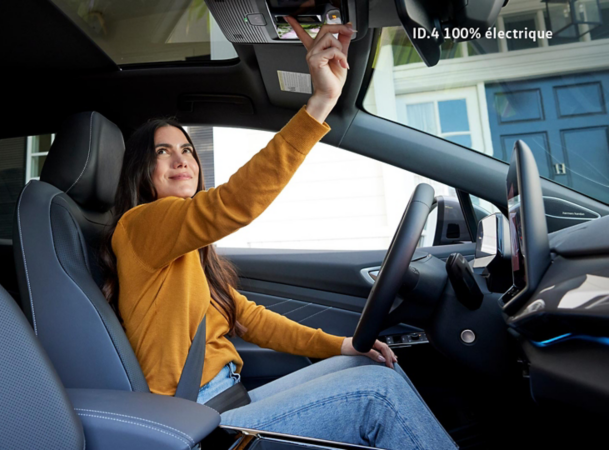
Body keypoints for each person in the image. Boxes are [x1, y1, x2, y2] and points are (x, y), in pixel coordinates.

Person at [98, 17, 458, 450]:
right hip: (200, 424)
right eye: (163, 152)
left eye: (188, 150)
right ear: (142, 169)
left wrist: (341, 345)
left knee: (378, 371)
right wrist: (320, 103)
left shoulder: (183, 246)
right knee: (378, 397)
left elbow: (247, 318)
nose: (182, 160)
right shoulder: (140, 225)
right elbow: (235, 203)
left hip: (230, 401)